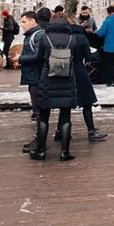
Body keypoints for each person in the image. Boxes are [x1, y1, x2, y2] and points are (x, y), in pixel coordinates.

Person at [28, 13, 82, 161]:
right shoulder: (73, 39)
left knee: (44, 115)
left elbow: (39, 58)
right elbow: (76, 59)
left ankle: (41, 151)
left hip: (48, 79)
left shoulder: (45, 37)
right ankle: (64, 152)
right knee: (65, 115)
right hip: (67, 79)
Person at [68, 14, 108, 142]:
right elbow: (89, 57)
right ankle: (91, 131)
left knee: (65, 104)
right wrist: (99, 52)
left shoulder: (61, 37)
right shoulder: (81, 38)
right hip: (79, 71)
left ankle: (61, 131)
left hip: (63, 72)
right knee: (86, 102)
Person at [19, 10, 45, 137]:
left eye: (24, 22)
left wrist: (20, 58)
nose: (22, 25)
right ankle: (40, 138)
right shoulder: (32, 35)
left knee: (39, 109)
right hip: (33, 75)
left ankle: (40, 140)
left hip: (37, 76)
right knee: (37, 108)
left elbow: (38, 56)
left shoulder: (37, 35)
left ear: (33, 21)